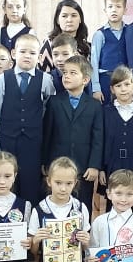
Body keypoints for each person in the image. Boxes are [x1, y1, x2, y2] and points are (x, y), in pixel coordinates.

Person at [0, 33, 56, 203]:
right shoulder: (2, 80)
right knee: (6, 189)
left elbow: (48, 110)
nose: (27, 56)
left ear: (39, 57)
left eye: (32, 53)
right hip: (6, 143)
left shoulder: (46, 80)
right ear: (13, 54)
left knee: (30, 189)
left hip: (33, 146)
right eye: (23, 51)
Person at [43, 55, 104, 201]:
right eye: (65, 72)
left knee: (83, 204)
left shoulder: (95, 106)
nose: (67, 76)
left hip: (84, 168)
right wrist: (44, 162)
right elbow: (47, 135)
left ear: (85, 80)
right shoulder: (54, 102)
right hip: (57, 165)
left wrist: (94, 165)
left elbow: (98, 138)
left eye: (73, 73)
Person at [101, 67, 133, 211]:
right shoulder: (106, 112)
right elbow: (101, 141)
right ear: (112, 89)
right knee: (112, 203)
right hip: (112, 164)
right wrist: (101, 169)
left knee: (132, 203)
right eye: (118, 85)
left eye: (127, 84)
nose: (123, 89)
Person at [90, 0, 130, 103]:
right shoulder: (99, 34)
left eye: (118, 6)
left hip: (125, 80)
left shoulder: (130, 31)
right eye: (110, 6)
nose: (114, 10)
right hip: (105, 80)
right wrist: (96, 88)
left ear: (125, 10)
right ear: (105, 10)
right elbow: (94, 62)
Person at [40, 0, 92, 73]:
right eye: (64, 16)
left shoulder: (87, 46)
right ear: (57, 20)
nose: (69, 20)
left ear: (80, 19)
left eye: (74, 15)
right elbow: (43, 73)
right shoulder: (49, 43)